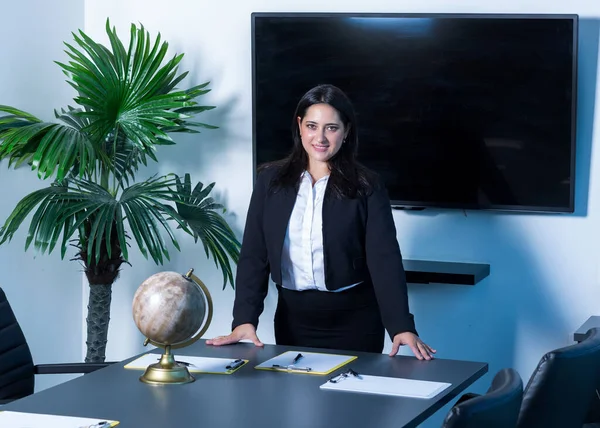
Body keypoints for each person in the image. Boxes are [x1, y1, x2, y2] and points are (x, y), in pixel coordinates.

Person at [207, 84, 435, 360]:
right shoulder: (270, 182)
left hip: (356, 322)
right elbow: (255, 255)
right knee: (298, 401)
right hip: (293, 321)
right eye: (313, 126)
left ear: (346, 131)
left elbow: (384, 259)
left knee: (352, 402)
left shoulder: (367, 185)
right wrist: (244, 319)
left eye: (332, 128)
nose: (321, 137)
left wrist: (401, 326)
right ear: (300, 126)